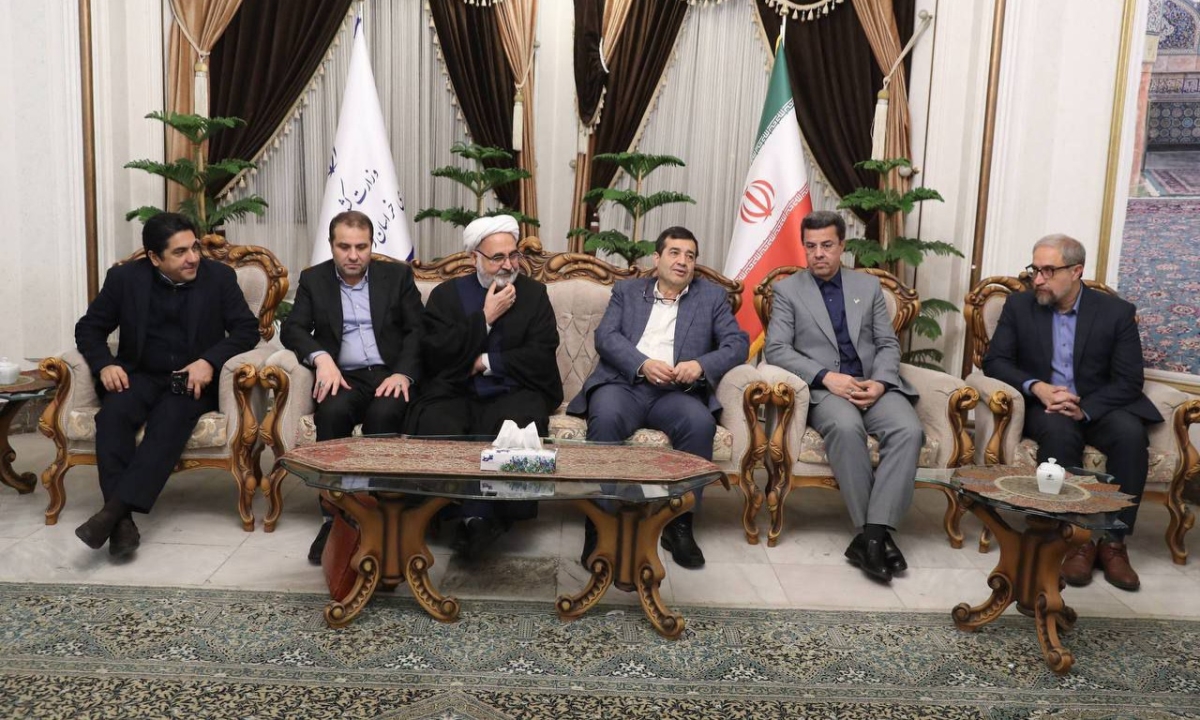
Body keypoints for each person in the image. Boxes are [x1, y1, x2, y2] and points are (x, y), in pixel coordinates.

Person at [73, 212, 260, 557]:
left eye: (194, 248)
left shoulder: (219, 277)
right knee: (112, 416)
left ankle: (111, 514)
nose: (193, 258)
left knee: (169, 420)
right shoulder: (124, 279)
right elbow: (89, 328)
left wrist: (208, 362)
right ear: (154, 258)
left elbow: (247, 330)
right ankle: (122, 522)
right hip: (139, 374)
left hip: (192, 380)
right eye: (180, 252)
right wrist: (104, 364)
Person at [983, 233, 1161, 591]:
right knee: (1059, 434)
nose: (1038, 279)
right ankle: (1073, 539)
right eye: (1035, 269)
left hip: (1099, 405)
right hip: (1045, 406)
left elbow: (1129, 380)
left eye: (1048, 271)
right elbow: (995, 361)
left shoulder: (1116, 312)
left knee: (1130, 435)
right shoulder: (1019, 306)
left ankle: (1112, 542)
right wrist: (1037, 387)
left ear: (1076, 271)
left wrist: (1086, 409)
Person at [567, 227, 749, 569]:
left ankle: (679, 524)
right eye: (674, 253)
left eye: (690, 256)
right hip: (624, 385)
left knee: (699, 424)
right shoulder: (627, 291)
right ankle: (599, 523)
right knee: (606, 419)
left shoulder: (711, 297)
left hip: (675, 392)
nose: (682, 261)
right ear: (657, 258)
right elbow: (606, 336)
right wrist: (643, 364)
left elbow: (737, 344)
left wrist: (700, 365)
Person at [763, 210, 923, 583]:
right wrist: (826, 377)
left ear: (842, 246)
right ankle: (876, 537)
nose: (818, 254)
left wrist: (881, 382)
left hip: (872, 385)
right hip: (826, 390)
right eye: (811, 246)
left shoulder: (868, 287)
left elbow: (886, 343)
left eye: (827, 245)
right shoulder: (788, 291)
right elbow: (777, 349)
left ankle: (871, 537)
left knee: (909, 430)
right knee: (847, 428)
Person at [405, 214, 562, 559]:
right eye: (497, 257)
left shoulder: (535, 295)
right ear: (474, 257)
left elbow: (541, 353)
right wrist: (485, 318)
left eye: (513, 255)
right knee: (437, 422)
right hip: (456, 389)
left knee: (518, 423)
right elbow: (435, 353)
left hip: (513, 389)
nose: (508, 264)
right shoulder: (447, 296)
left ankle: (490, 517)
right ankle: (447, 512)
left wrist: (486, 361)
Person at [281, 210, 425, 564]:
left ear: (371, 245)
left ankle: (378, 511)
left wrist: (403, 374)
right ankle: (334, 517)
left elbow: (418, 330)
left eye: (361, 247)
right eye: (344, 247)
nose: (353, 255)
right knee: (331, 414)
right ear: (331, 245)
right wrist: (321, 358)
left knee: (384, 415)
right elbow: (293, 328)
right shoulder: (314, 279)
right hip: (342, 374)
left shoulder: (397, 276)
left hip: (388, 373)